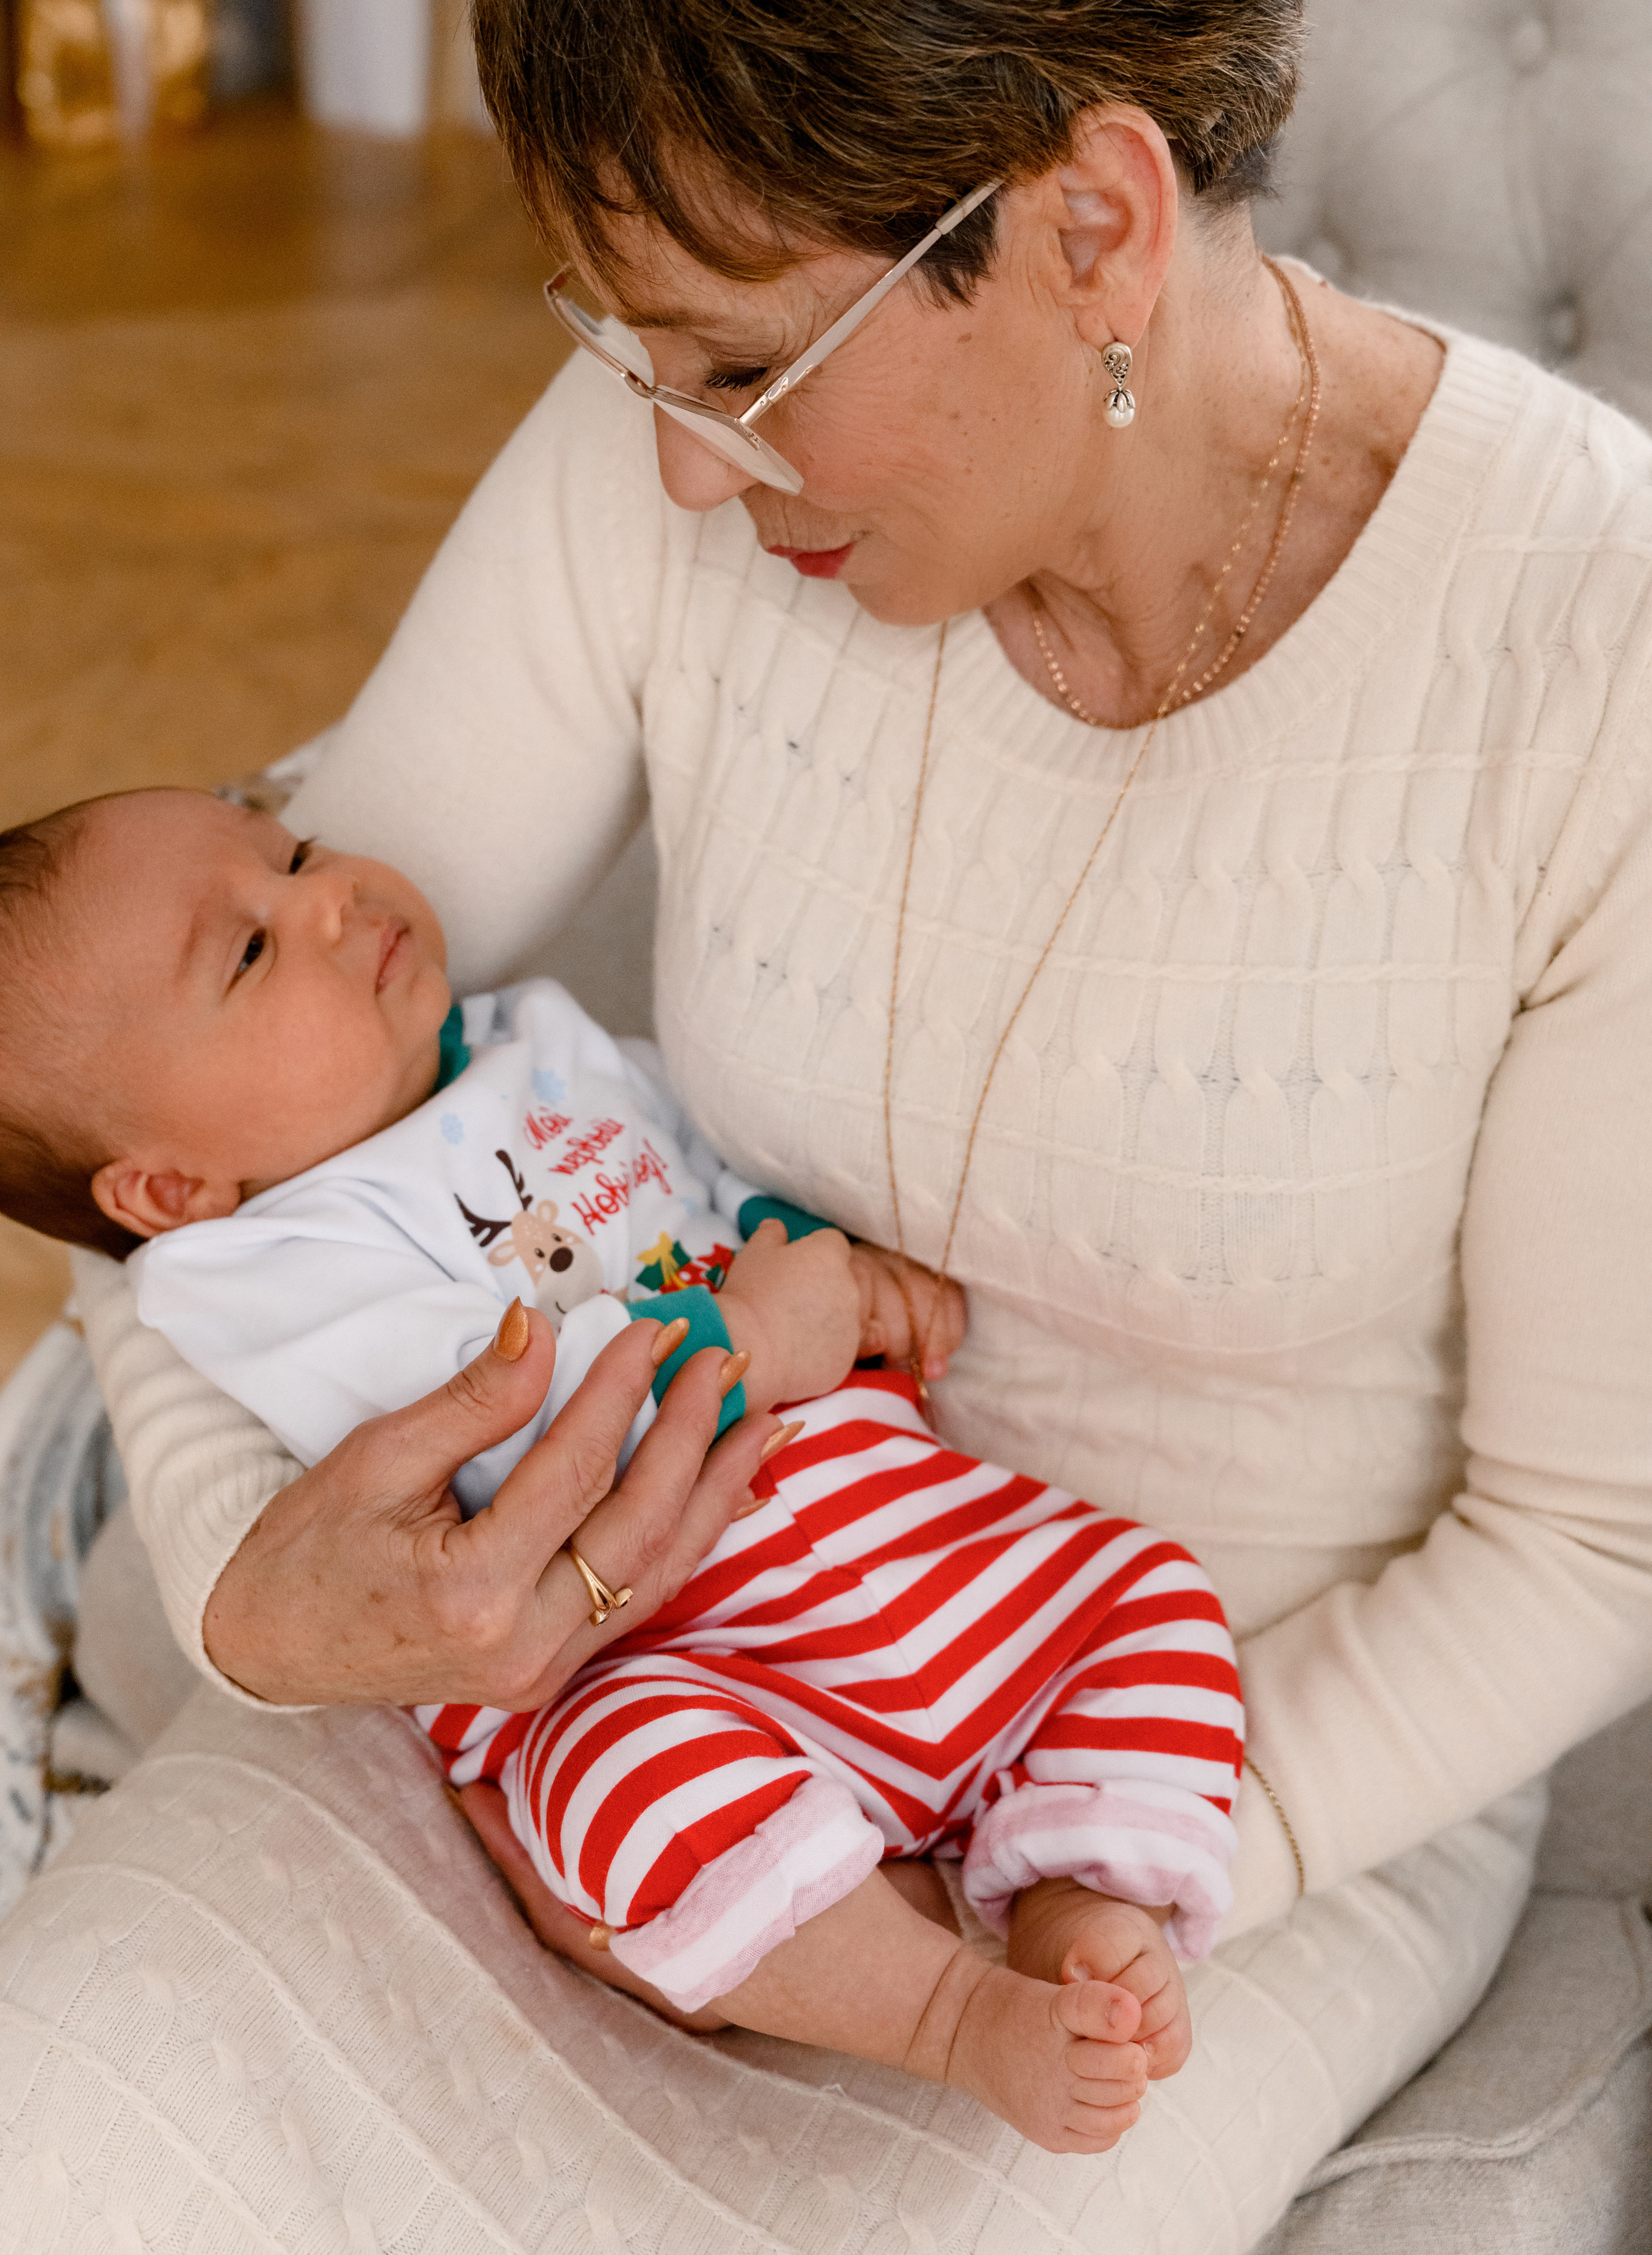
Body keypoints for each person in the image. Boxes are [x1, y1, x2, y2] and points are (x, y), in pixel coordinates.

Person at [17, 0, 1652, 2243]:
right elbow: (206, 1118)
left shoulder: (1588, 652)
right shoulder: (668, 452)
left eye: (739, 368)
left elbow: (1589, 1534)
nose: (676, 467)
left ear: (1088, 223)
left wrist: (1044, 1902)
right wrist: (275, 1590)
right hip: (604, 1722)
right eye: (629, 353)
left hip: (1165, 1791)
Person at [0, 784, 1243, 2154]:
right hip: (680, 1651)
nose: (330, 897)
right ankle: (943, 2012)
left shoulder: (529, 1042)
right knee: (616, 1790)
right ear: (167, 1192)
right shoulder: (267, 1273)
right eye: (247, 952)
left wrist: (832, 1265)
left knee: (1145, 1593)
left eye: (292, 852)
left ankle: (1078, 1890)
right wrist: (758, 1333)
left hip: (910, 1532)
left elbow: (706, 1177)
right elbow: (519, 1430)